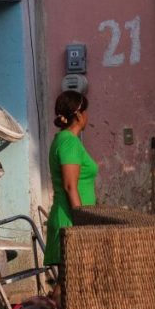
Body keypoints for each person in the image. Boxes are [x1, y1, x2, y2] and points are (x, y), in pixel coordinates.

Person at [43, 90, 98, 266]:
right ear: (79, 115)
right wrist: (82, 223)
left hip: (69, 217)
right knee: (70, 284)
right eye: (86, 111)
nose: (87, 115)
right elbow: (70, 186)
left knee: (66, 284)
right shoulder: (69, 142)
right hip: (71, 220)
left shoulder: (63, 140)